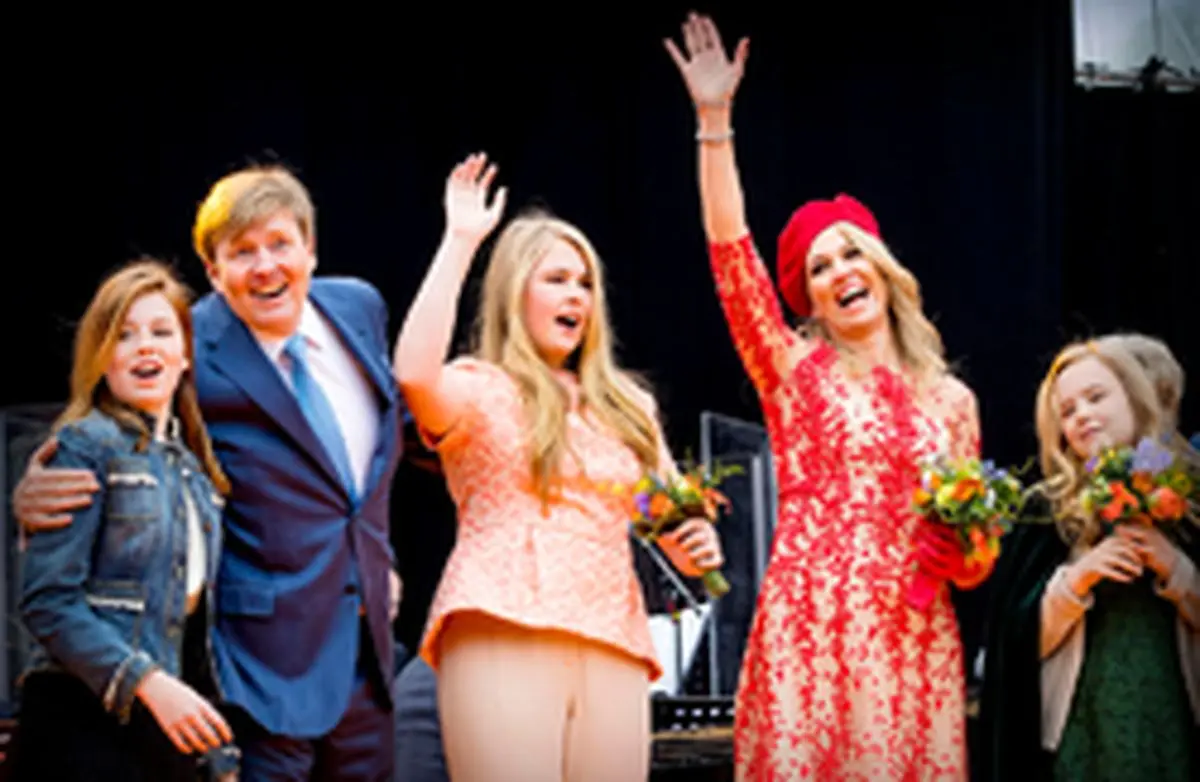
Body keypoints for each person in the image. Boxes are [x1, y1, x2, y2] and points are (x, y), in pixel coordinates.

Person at [663, 12, 991, 779]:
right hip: (812, 627)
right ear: (807, 298)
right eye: (819, 267)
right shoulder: (793, 369)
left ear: (879, 265)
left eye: (850, 254)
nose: (840, 271)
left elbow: (977, 555)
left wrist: (968, 553)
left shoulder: (954, 401)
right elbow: (731, 253)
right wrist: (714, 124)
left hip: (915, 638)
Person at [12, 165, 406, 781]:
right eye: (242, 252)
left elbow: (373, 460)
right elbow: (51, 592)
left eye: (280, 243)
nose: (265, 265)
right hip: (200, 690)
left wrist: (372, 562)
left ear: (311, 248)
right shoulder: (169, 369)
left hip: (344, 660)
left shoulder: (358, 309)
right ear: (214, 273)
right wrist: (32, 488)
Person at [393, 152, 724, 782]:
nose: (577, 295)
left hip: (614, 634)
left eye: (586, 283)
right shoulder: (480, 386)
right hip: (502, 619)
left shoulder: (629, 405)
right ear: (514, 292)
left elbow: (672, 522)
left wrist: (695, 543)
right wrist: (460, 240)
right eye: (557, 279)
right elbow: (412, 372)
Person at [5, 260, 238, 781]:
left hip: (154, 729)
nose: (144, 346)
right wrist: (149, 683)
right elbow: (47, 601)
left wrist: (216, 753)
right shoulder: (85, 445)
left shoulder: (195, 473)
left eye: (161, 331)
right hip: (81, 725)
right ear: (102, 357)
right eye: (124, 335)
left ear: (185, 353)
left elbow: (189, 630)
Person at [979, 338, 1199, 781]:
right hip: (1082, 727)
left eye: (1096, 397)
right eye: (1068, 410)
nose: (1082, 415)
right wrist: (1076, 581)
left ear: (1134, 396)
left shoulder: (1188, 493)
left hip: (1171, 719)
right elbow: (1012, 645)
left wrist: (1178, 569)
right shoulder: (1046, 511)